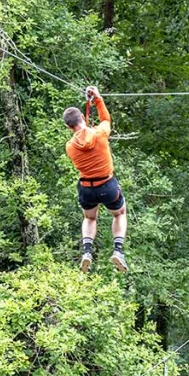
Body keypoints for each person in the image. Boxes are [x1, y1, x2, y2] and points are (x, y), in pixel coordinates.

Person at [63, 86, 128, 273]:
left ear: (68, 127)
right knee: (119, 213)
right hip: (107, 185)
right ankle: (118, 250)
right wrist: (98, 99)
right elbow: (106, 120)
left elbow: (82, 137)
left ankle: (87, 252)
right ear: (83, 118)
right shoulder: (100, 134)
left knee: (90, 218)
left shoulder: (70, 147)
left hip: (86, 188)